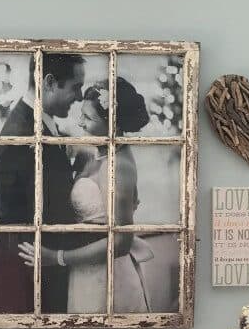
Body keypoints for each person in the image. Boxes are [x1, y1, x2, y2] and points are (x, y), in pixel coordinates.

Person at [18, 77, 154, 313]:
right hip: (86, 269)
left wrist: (57, 257)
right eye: (82, 114)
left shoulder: (118, 166)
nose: (80, 123)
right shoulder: (100, 153)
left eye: (88, 118)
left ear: (113, 125)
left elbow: (122, 242)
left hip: (107, 277)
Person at [0, 53, 90, 314]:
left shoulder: (42, 121)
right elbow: (38, 212)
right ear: (50, 81)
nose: (79, 97)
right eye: (76, 87)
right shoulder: (22, 135)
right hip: (27, 269)